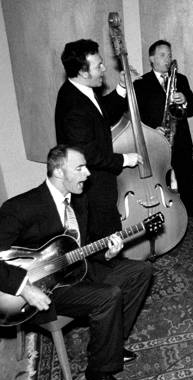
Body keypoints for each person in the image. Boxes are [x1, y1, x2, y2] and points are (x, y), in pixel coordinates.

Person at [0, 146, 153, 380]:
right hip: (42, 290)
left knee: (142, 270)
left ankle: (111, 345)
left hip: (76, 270)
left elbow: (83, 246)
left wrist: (107, 253)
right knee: (109, 295)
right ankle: (99, 372)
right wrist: (24, 288)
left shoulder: (79, 200)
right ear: (59, 172)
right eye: (80, 168)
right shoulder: (22, 207)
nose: (88, 173)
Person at [55, 38, 143, 242]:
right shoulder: (73, 106)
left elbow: (101, 116)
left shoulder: (81, 90)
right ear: (83, 72)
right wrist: (124, 159)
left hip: (99, 185)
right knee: (106, 241)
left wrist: (122, 87)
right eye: (99, 66)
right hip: (93, 191)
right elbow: (88, 153)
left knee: (111, 239)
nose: (104, 69)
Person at [133, 40, 193, 221]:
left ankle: (191, 209)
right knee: (161, 179)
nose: (168, 59)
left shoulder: (181, 79)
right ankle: (164, 213)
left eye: (170, 55)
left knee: (187, 176)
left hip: (181, 139)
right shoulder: (141, 83)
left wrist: (185, 100)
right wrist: (152, 130)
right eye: (163, 55)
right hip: (157, 140)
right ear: (152, 58)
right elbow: (137, 115)